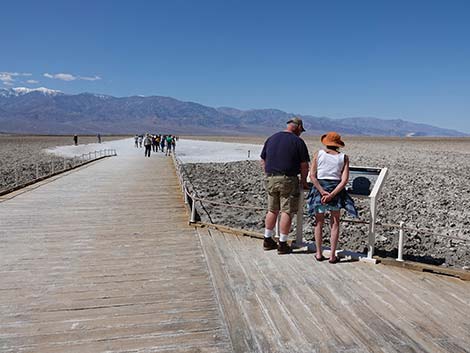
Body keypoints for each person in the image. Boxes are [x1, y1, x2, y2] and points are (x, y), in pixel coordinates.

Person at [260, 117, 310, 254]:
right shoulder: (298, 141)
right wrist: (304, 181)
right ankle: (282, 243)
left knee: (272, 209)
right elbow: (304, 165)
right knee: (287, 210)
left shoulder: (271, 138)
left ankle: (267, 239)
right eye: (301, 130)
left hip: (271, 178)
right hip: (288, 179)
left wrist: (268, 174)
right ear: (298, 127)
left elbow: (263, 160)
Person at [307, 132, 358, 264]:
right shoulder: (344, 157)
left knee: (319, 222)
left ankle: (318, 253)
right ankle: (332, 255)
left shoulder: (318, 154)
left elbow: (312, 176)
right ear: (338, 144)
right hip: (336, 191)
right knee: (335, 223)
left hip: (320, 190)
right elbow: (344, 180)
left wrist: (322, 191)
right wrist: (332, 194)